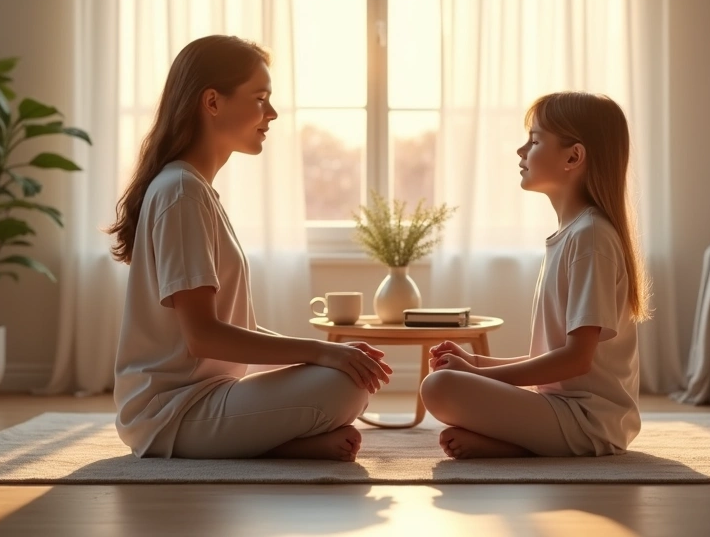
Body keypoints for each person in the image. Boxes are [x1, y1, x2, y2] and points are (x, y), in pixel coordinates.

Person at [107, 35, 392, 461]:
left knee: (346, 375)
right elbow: (203, 337)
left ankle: (284, 442)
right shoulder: (181, 192)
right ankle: (283, 445)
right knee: (344, 385)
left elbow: (231, 331)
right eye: (260, 99)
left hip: (209, 396)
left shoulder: (192, 189)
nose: (271, 113)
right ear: (212, 102)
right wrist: (322, 352)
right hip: (171, 413)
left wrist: (331, 355)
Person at [419, 91, 650, 459]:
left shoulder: (590, 237)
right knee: (442, 382)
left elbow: (575, 361)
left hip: (589, 421)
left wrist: (474, 375)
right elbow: (553, 360)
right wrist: (475, 363)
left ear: (573, 157)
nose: (520, 151)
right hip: (561, 408)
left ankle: (520, 446)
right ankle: (519, 443)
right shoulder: (574, 234)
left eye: (535, 140)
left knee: (440, 387)